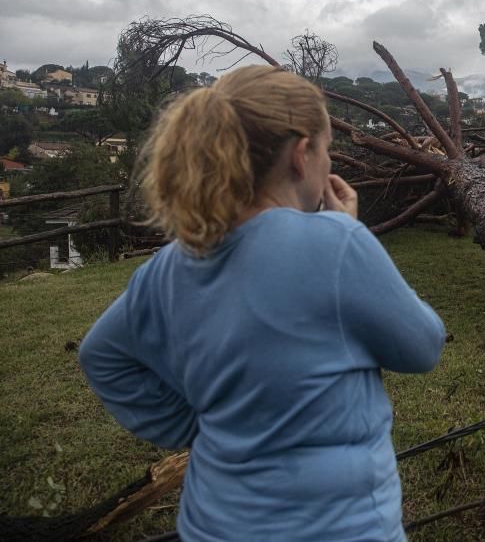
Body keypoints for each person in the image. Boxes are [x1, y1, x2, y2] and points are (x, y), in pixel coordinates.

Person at [79, 66, 446, 541]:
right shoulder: (336, 244)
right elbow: (422, 348)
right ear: (300, 155)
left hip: (211, 525)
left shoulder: (169, 265)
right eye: (327, 148)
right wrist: (350, 232)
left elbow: (101, 355)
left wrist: (193, 425)